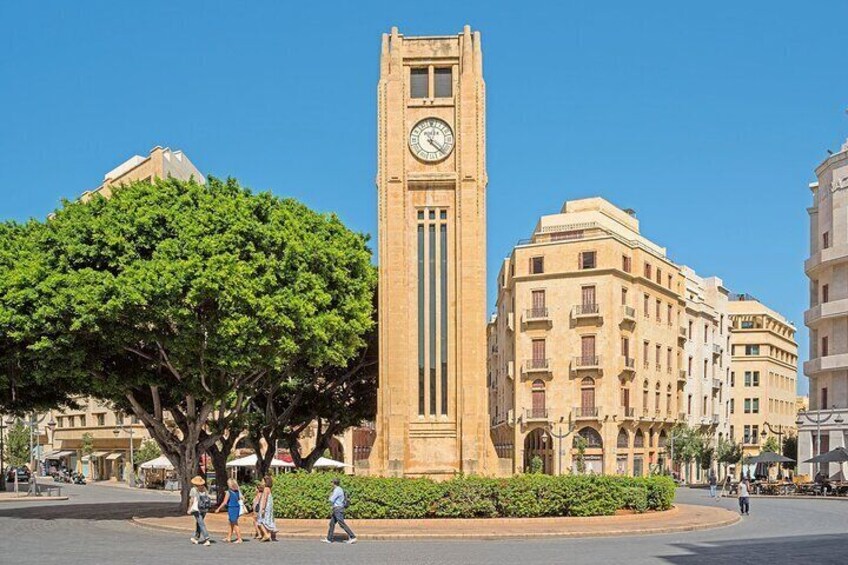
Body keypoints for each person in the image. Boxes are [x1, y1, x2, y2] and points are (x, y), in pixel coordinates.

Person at [323, 477, 356, 544]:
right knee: (332, 523)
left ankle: (353, 537)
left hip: (338, 509)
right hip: (336, 508)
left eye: (331, 482)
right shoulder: (339, 489)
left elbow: (331, 499)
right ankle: (329, 539)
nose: (331, 484)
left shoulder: (337, 490)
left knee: (341, 523)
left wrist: (330, 495)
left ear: (333, 483)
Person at [215, 478, 244, 543]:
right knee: (231, 523)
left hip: (232, 508)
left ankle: (239, 538)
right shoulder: (237, 491)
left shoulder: (229, 492)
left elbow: (224, 502)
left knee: (235, 523)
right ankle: (229, 537)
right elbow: (241, 498)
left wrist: (218, 509)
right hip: (237, 507)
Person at [188, 475, 212, 546]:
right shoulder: (204, 488)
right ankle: (196, 537)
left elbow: (191, 500)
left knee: (201, 523)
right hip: (204, 508)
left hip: (197, 508)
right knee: (199, 523)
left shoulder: (194, 489)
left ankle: (206, 538)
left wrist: (189, 508)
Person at [257, 475, 278, 542]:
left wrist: (263, 508)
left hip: (265, 507)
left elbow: (265, 499)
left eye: (262, 481)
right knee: (267, 520)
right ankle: (268, 534)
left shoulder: (266, 489)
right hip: (269, 507)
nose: (261, 482)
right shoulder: (269, 489)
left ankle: (266, 534)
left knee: (260, 521)